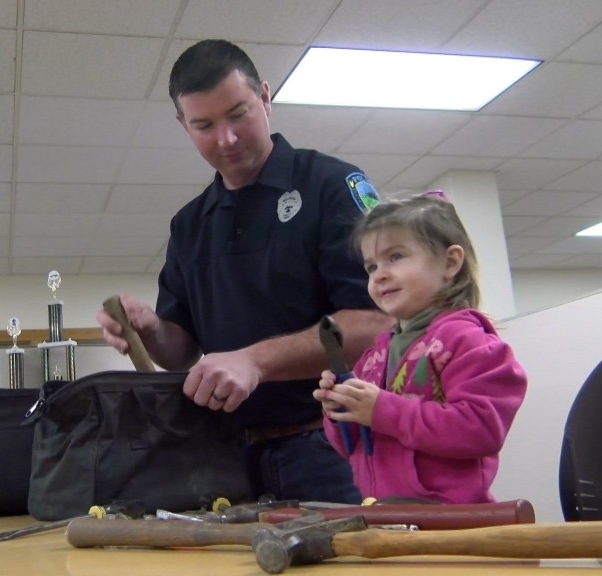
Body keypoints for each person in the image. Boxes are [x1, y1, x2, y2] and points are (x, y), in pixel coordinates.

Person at [96, 39, 392, 504]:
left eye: (238, 114)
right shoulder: (189, 225)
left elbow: (377, 324)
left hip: (333, 447)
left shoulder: (331, 186)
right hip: (226, 459)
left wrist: (254, 361)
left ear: (266, 98)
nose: (226, 139)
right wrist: (151, 329)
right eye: (204, 125)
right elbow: (181, 351)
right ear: (182, 126)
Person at [314, 192, 528, 504]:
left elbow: (482, 429)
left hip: (451, 524)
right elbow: (352, 447)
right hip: (385, 517)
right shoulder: (374, 357)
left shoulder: (468, 341)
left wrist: (381, 410)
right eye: (371, 267)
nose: (380, 275)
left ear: (450, 262)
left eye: (396, 257)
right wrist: (339, 411)